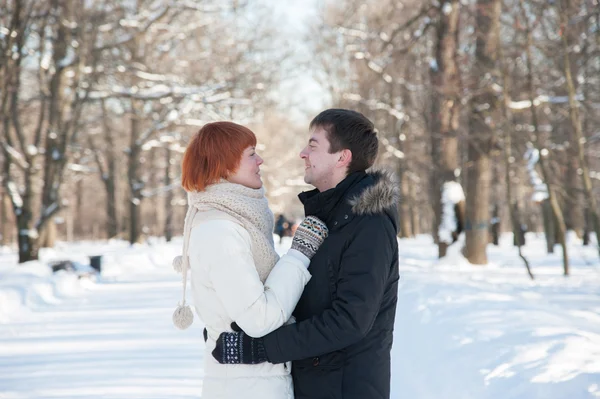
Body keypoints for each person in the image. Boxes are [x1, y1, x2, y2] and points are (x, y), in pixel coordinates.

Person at [212, 109, 400, 399]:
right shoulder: (332, 218)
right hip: (317, 384)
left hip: (346, 388)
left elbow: (350, 321)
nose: (302, 153)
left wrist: (261, 347)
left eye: (313, 145)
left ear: (342, 157)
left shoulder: (368, 224)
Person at [171, 121, 328, 399]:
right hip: (247, 387)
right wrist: (299, 254)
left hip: (255, 381)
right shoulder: (220, 230)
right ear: (225, 165)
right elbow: (259, 318)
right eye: (251, 154)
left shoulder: (235, 221)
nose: (260, 160)